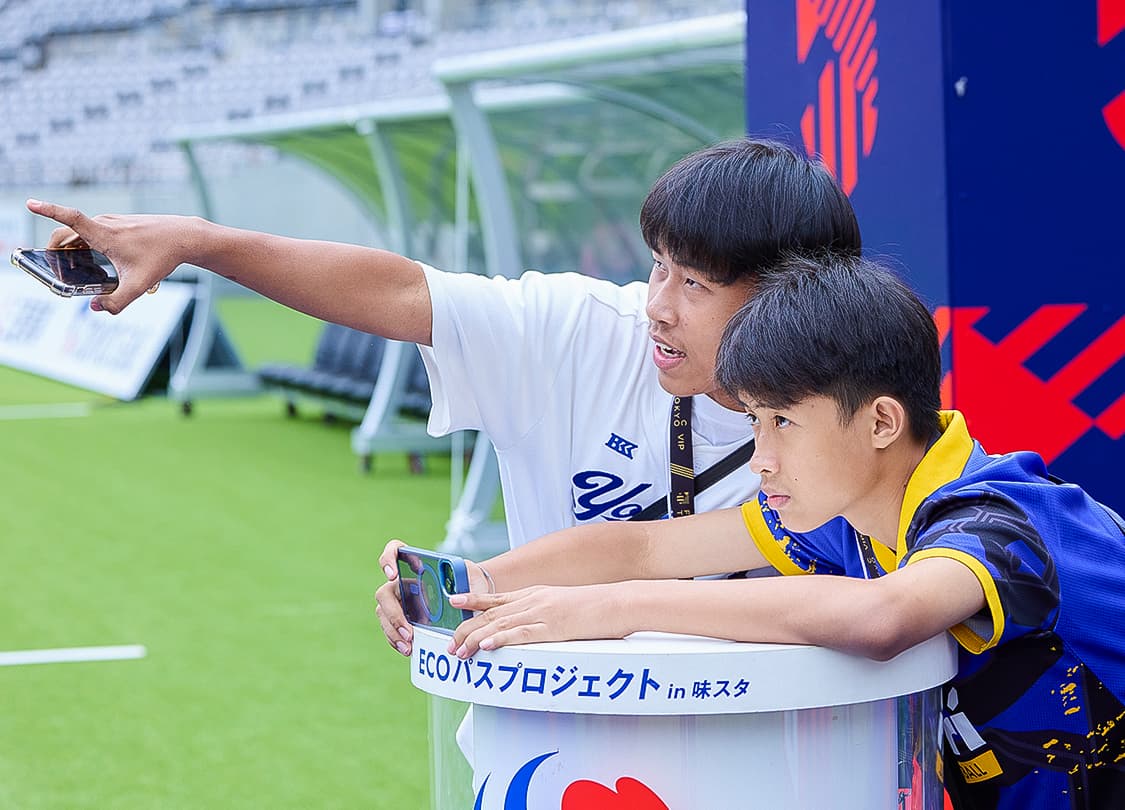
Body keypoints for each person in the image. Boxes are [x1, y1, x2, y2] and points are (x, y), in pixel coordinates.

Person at [28, 137, 861, 657]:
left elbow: (879, 614)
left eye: (695, 284)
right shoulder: (579, 330)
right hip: (558, 743)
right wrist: (198, 241)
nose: (657, 306)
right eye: (656, 268)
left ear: (787, 294)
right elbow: (399, 292)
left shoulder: (864, 420)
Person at [377, 254, 1125, 809]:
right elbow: (641, 546)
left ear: (880, 422)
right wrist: (479, 584)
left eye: (783, 423)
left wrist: (613, 608)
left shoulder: (998, 517)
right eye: (755, 422)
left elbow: (882, 616)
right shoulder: (846, 520)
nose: (761, 458)